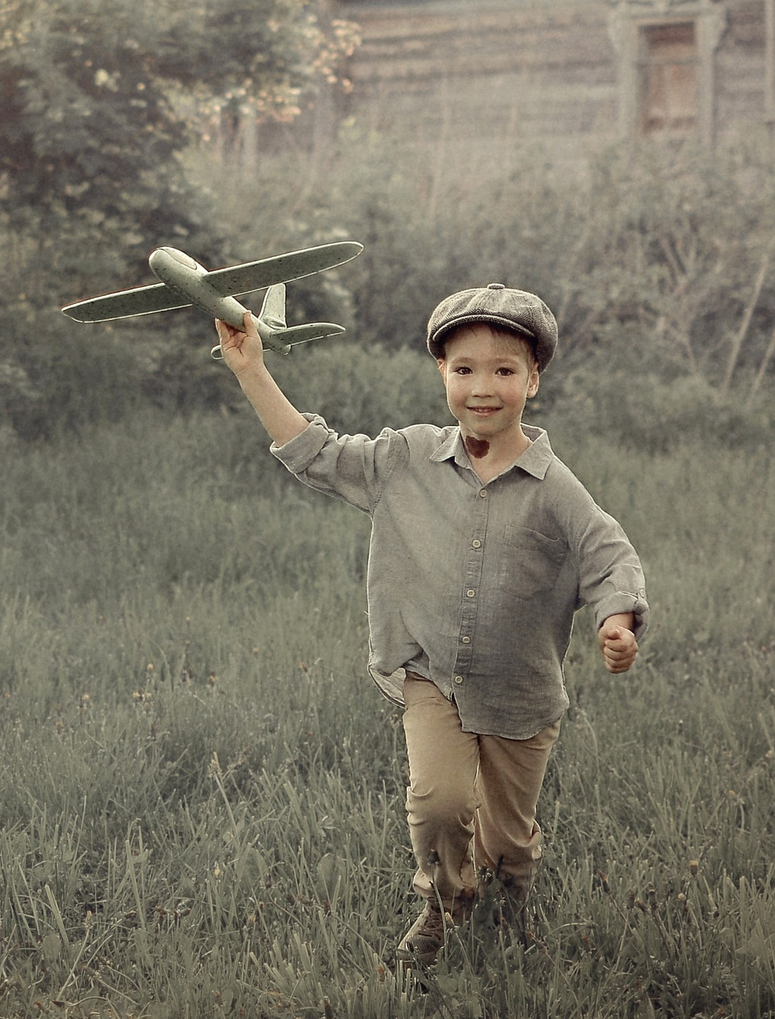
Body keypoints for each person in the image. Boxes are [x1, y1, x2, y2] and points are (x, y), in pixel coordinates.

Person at [214, 284, 647, 971]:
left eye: (504, 370)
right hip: (431, 673)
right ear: (441, 374)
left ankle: (510, 900)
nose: (483, 387)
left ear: (532, 380)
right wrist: (252, 371)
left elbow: (608, 553)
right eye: (464, 368)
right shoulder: (406, 459)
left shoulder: (553, 484)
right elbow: (317, 453)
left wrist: (616, 621)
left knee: (506, 839)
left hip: (520, 691)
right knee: (439, 804)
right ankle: (443, 910)